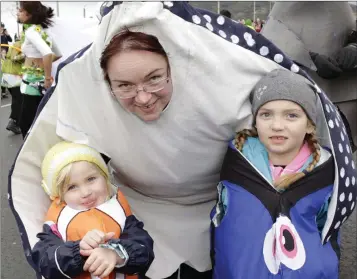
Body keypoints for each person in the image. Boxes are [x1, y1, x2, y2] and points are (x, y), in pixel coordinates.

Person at [8, 3, 356, 279]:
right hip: (138, 216)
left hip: (220, 213)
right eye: (125, 86)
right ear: (106, 85)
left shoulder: (222, 89)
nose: (143, 98)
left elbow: (287, 123)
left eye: (155, 78)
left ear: (172, 69)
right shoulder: (88, 101)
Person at [211, 68, 338, 278]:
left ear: (309, 125)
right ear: (255, 121)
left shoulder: (327, 174)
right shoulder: (235, 164)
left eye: (291, 115)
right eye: (266, 114)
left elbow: (329, 233)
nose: (277, 125)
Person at [32, 141, 154, 279]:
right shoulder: (58, 222)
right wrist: (79, 251)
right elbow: (43, 260)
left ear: (104, 176)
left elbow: (145, 250)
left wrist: (116, 253)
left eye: (91, 179)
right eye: (72, 187)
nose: (85, 192)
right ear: (59, 195)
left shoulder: (119, 210)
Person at [17, 1, 57, 138]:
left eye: (20, 11)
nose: (18, 13)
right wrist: (41, 66)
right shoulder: (45, 31)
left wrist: (46, 76)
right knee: (39, 121)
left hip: (32, 84)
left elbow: (48, 53)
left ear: (29, 15)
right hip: (40, 84)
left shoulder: (31, 32)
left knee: (25, 123)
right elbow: (58, 54)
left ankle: (28, 155)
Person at [1, 39, 24, 134]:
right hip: (13, 76)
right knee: (19, 100)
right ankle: (14, 121)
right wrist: (25, 56)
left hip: (7, 76)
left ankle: (15, 121)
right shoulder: (20, 44)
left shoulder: (15, 45)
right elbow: (15, 58)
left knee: (16, 99)